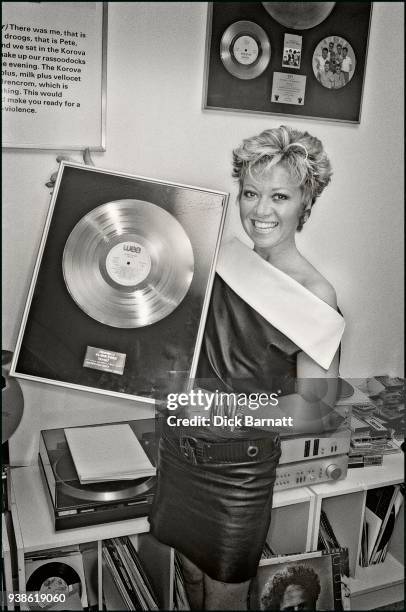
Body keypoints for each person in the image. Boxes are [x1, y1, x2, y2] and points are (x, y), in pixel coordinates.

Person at [149, 126, 343, 610]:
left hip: (238, 478)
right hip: (178, 455)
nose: (260, 210)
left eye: (279, 196)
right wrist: (82, 203)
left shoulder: (315, 296)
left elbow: (316, 408)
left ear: (306, 201)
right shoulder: (222, 262)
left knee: (224, 599)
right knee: (190, 576)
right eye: (251, 193)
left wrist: (223, 411)